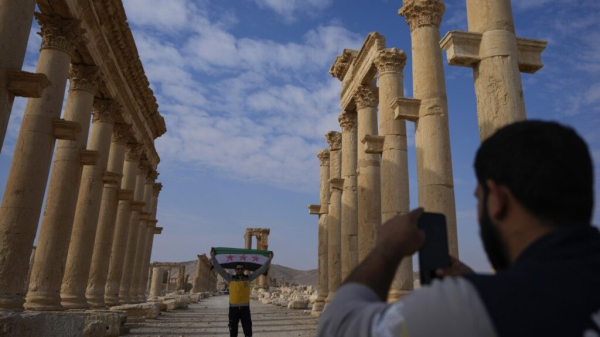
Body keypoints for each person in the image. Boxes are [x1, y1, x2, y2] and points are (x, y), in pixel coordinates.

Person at [318, 120, 600, 337]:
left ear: (497, 200)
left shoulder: (472, 309)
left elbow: (339, 327)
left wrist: (387, 247)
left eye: (478, 198)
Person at [211, 250, 273, 337]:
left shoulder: (248, 278)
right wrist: (213, 258)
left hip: (245, 309)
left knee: (248, 332)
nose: (240, 270)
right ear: (235, 270)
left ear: (244, 270)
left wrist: (269, 260)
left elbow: (260, 270)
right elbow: (219, 269)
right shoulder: (230, 278)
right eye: (238, 269)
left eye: (241, 269)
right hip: (233, 310)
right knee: (233, 333)